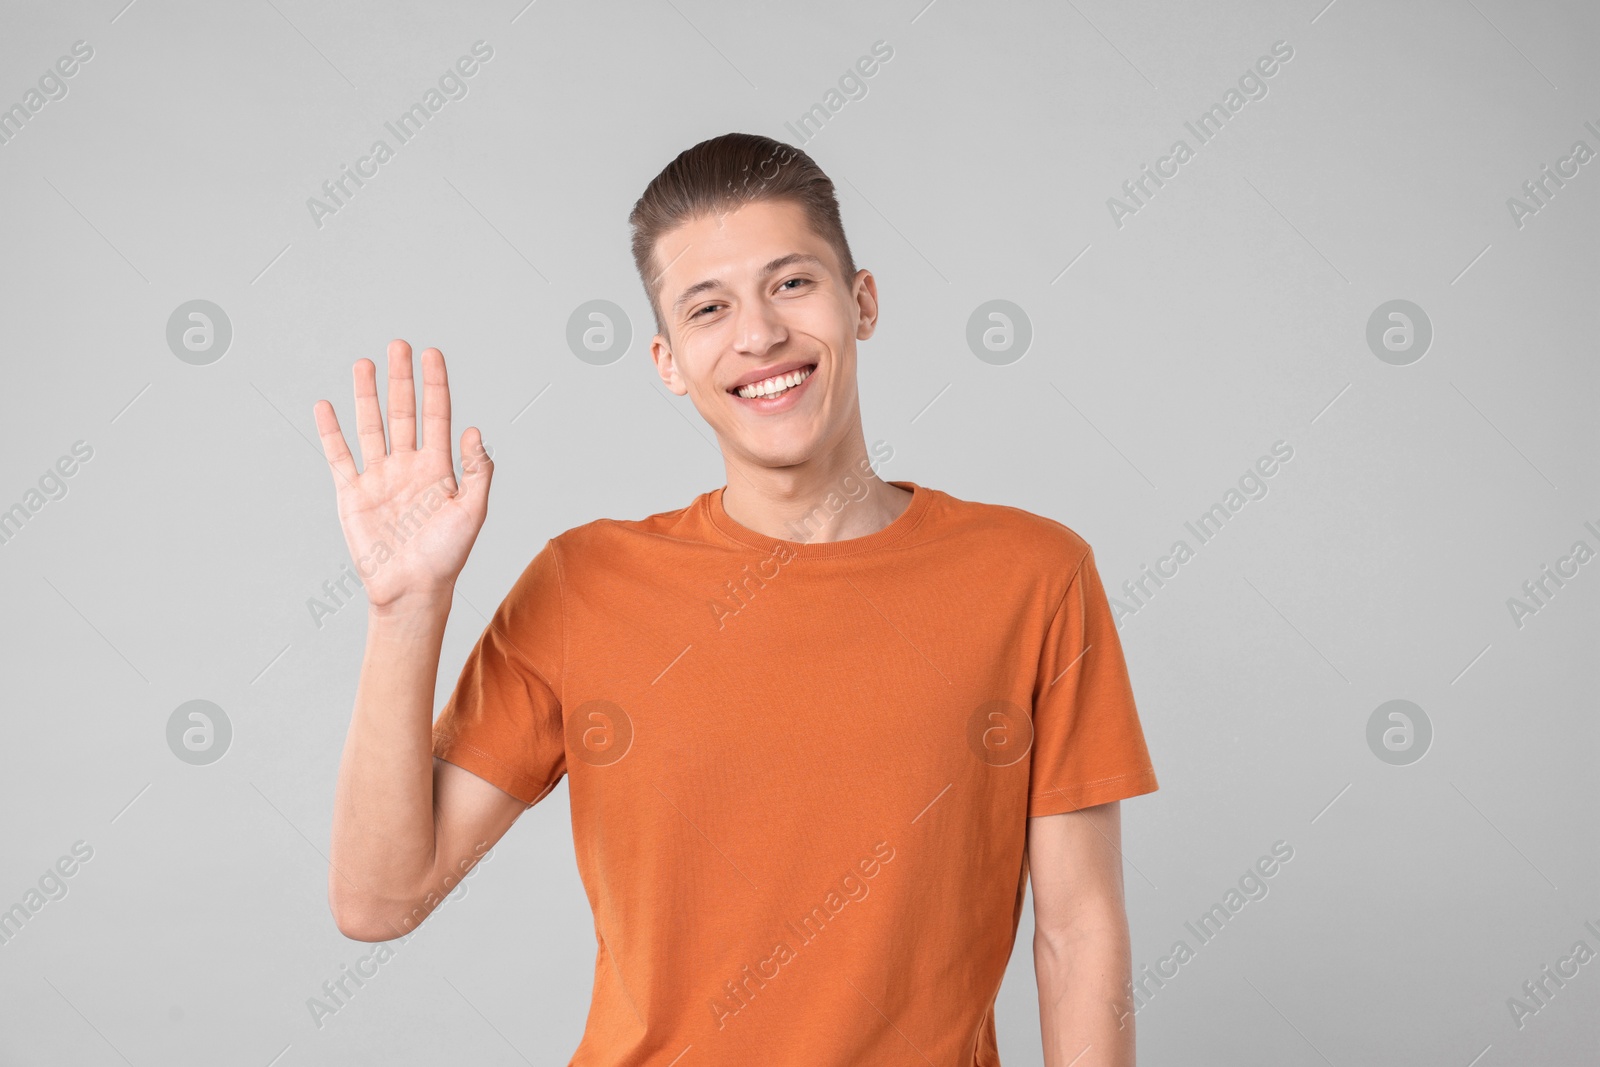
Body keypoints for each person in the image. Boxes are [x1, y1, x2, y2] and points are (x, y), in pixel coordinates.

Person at [315, 132, 1158, 1066]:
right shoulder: (583, 585)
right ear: (669, 360)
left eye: (792, 283)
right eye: (707, 307)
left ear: (862, 301)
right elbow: (379, 899)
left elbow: (1078, 936)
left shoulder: (1034, 577)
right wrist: (406, 609)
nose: (758, 334)